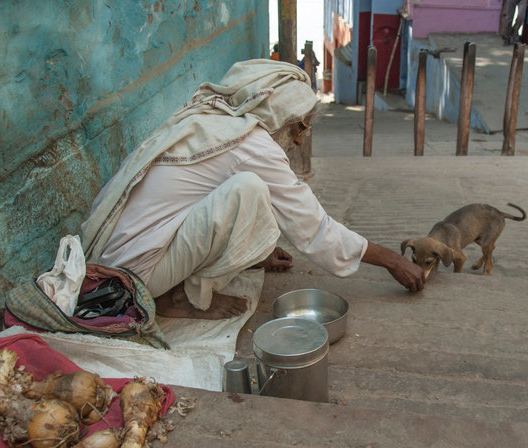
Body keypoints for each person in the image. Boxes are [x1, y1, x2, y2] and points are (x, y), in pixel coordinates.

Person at [81, 59, 425, 320]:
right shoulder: (253, 145)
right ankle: (177, 298)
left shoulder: (215, 119)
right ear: (281, 114)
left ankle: (171, 288)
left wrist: (258, 251)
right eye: (300, 126)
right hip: (132, 278)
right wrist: (393, 261)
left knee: (253, 190)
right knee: (251, 189)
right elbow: (316, 230)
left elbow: (192, 206)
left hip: (115, 256)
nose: (300, 138)